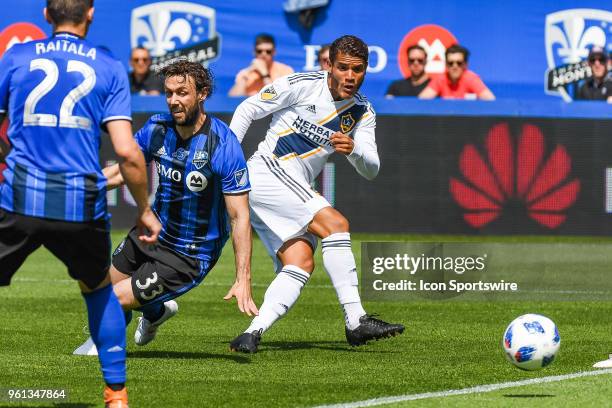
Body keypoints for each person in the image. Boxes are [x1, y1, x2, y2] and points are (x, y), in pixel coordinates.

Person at [0, 1, 161, 407]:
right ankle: (116, 394)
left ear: (46, 14)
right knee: (98, 288)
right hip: (80, 205)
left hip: (20, 197)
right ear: (90, 14)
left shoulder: (16, 57)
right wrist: (143, 209)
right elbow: (127, 152)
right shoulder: (108, 67)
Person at [228, 35, 404, 353]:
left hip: (285, 189)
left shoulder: (362, 112)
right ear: (328, 65)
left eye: (358, 70)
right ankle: (356, 320)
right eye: (343, 68)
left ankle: (251, 334)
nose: (350, 77)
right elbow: (247, 109)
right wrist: (228, 160)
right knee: (335, 224)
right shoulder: (303, 84)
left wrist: (353, 151)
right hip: (266, 172)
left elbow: (372, 168)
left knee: (300, 261)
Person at [73, 59, 258, 356]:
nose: (174, 100)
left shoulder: (222, 144)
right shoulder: (157, 128)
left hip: (189, 253)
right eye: (169, 93)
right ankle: (157, 312)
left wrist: (243, 278)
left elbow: (239, 216)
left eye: (182, 93)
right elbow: (124, 170)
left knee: (113, 300)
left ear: (203, 94)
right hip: (152, 232)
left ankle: (103, 341)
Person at [419, 44, 495, 100]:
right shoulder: (440, 79)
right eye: (450, 63)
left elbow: (490, 100)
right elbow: (421, 101)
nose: (455, 66)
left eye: (459, 63)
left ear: (465, 65)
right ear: (446, 65)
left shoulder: (471, 79)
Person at [228, 33, 294, 96]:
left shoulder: (285, 71)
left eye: (268, 51)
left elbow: (278, 98)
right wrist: (246, 75)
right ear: (254, 52)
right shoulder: (245, 73)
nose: (263, 54)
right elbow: (233, 98)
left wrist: (265, 74)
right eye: (259, 51)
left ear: (274, 52)